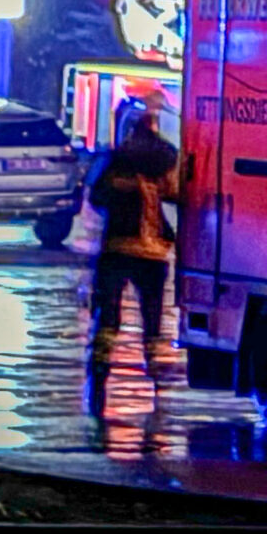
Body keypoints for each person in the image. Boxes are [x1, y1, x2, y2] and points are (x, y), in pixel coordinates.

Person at [85, 106, 182, 408]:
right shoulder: (166, 156)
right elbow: (178, 193)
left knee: (107, 320)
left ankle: (98, 380)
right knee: (152, 322)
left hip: (117, 248)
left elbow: (96, 196)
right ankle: (156, 384)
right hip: (154, 253)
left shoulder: (116, 158)